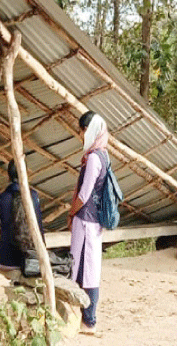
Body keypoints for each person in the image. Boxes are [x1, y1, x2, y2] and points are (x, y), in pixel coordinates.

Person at [68, 111, 109, 335]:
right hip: (89, 222)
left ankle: (89, 320)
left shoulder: (94, 159)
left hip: (86, 222)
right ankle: (82, 315)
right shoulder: (102, 154)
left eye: (82, 130)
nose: (80, 134)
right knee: (86, 267)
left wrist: (72, 213)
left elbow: (84, 194)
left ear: (90, 130)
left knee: (87, 270)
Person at [0, 160, 45, 271]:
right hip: (32, 259)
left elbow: (5, 225)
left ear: (8, 175)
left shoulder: (2, 198)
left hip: (6, 259)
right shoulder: (34, 196)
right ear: (26, 173)